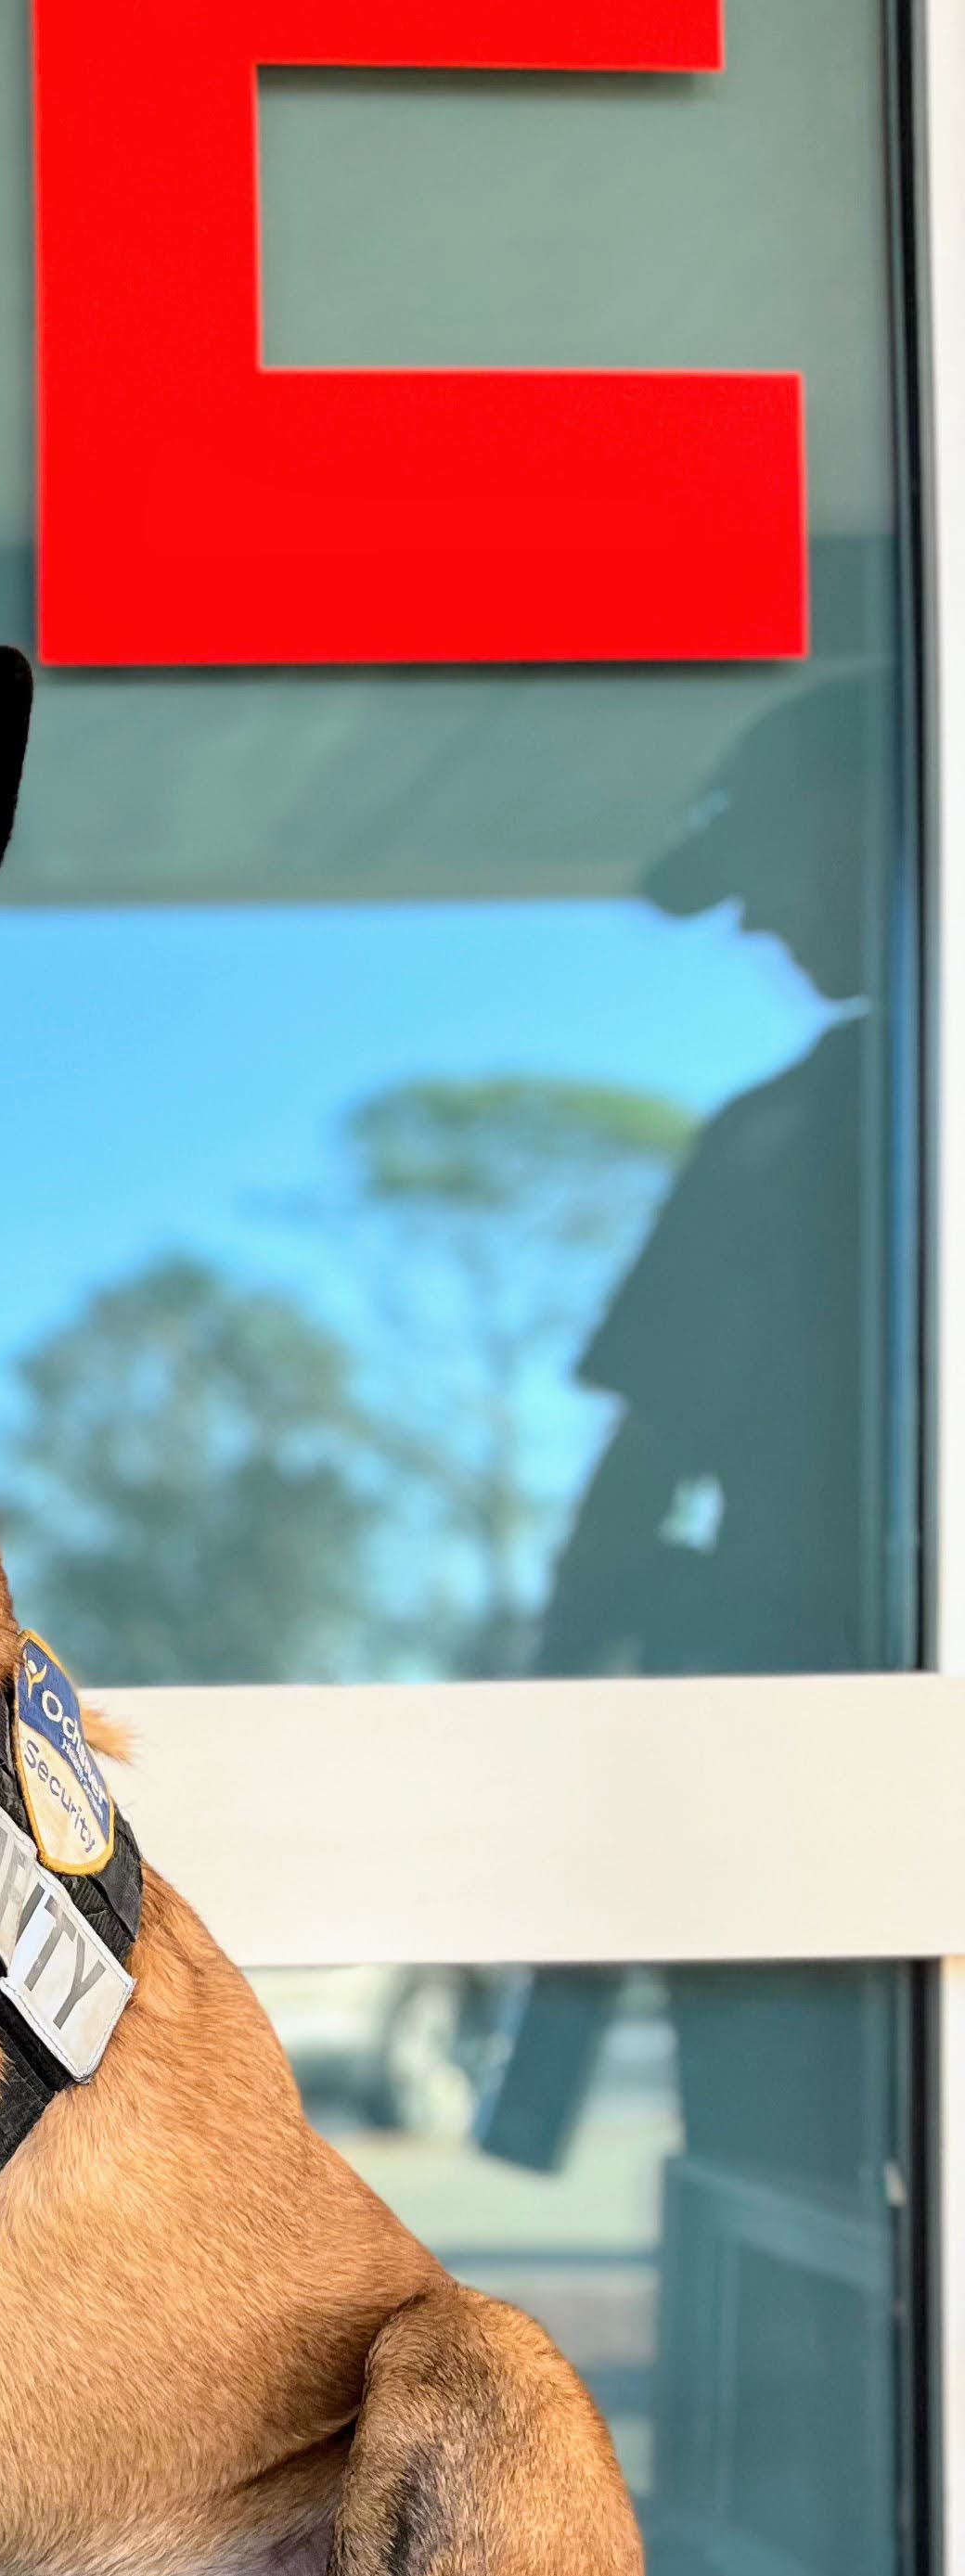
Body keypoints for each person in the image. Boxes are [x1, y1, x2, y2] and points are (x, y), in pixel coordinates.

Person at [482, 677, 893, 2204]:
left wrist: (567, 1681)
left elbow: (630, 1483)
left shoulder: (799, 1134)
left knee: (785, 2200)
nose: (755, 930)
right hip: (787, 1776)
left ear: (871, 824)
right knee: (782, 2201)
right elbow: (636, 1473)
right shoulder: (793, 1129)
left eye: (770, 867)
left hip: (802, 1776)